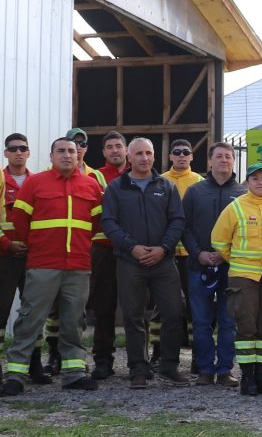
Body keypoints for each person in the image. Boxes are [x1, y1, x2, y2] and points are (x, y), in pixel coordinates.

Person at [0, 137, 103, 395]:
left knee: (73, 320)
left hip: (78, 265)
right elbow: (21, 220)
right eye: (61, 151)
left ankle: (74, 373)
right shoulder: (35, 183)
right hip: (43, 263)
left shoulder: (91, 185)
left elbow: (97, 223)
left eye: (71, 151)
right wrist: (38, 244)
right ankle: (16, 375)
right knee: (30, 319)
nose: (67, 155)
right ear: (51, 156)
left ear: (78, 155)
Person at [101, 138, 189, 389]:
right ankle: (138, 368)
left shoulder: (167, 186)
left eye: (148, 153)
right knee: (133, 316)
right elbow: (109, 223)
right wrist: (133, 247)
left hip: (163, 261)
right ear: (129, 157)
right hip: (131, 261)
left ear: (154, 156)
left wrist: (163, 248)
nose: (144, 158)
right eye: (138, 153)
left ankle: (169, 366)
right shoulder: (116, 188)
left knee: (174, 311)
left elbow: (178, 221)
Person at [211, 163, 262, 396]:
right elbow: (219, 240)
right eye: (255, 178)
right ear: (247, 182)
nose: (260, 182)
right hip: (243, 276)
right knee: (246, 327)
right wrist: (237, 260)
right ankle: (247, 378)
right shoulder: (235, 208)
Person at [182, 142, 245, 387]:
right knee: (201, 321)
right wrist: (198, 254)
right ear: (209, 162)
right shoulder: (195, 192)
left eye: (228, 157)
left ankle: (225, 370)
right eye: (218, 156)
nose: (224, 161)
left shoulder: (242, 194)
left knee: (228, 322)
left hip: (232, 269)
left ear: (233, 161)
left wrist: (225, 255)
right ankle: (205, 369)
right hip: (199, 266)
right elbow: (183, 226)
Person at [41, 127, 96, 372]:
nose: (76, 149)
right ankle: (53, 354)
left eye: (80, 144)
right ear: (54, 154)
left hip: (80, 254)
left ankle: (73, 363)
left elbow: (98, 219)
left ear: (83, 149)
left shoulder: (95, 178)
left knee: (76, 311)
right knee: (52, 310)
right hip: (49, 257)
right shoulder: (42, 178)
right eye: (69, 145)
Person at [153, 139, 204, 367]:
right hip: (167, 253)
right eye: (177, 152)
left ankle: (196, 355)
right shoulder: (160, 181)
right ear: (170, 156)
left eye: (186, 152)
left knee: (196, 305)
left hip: (192, 254)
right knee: (160, 306)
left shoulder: (200, 183)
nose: (182, 155)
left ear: (192, 157)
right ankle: (157, 351)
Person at [0, 133, 44, 382]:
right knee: (1, 310)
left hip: (32, 255)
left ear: (29, 153)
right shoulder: (0, 180)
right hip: (4, 256)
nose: (18, 152)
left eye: (23, 148)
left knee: (33, 311)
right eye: (13, 148)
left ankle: (35, 365)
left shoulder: (38, 182)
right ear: (6, 153)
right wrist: (7, 244)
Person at [85, 131, 129, 380]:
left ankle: (139, 361)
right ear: (103, 153)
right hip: (104, 248)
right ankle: (103, 360)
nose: (114, 151)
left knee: (135, 309)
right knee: (103, 306)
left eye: (118, 146)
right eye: (109, 147)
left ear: (126, 150)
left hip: (133, 249)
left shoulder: (140, 174)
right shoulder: (94, 177)